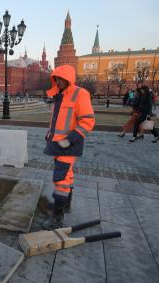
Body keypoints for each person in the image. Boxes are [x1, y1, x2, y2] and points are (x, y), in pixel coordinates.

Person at [43, 64, 95, 229]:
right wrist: (50, 133)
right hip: (58, 143)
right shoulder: (60, 95)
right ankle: (65, 205)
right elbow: (58, 119)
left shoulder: (80, 94)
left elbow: (87, 121)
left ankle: (57, 217)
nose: (58, 82)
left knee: (61, 178)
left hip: (68, 145)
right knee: (67, 175)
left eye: (60, 79)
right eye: (56, 79)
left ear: (68, 79)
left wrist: (70, 140)